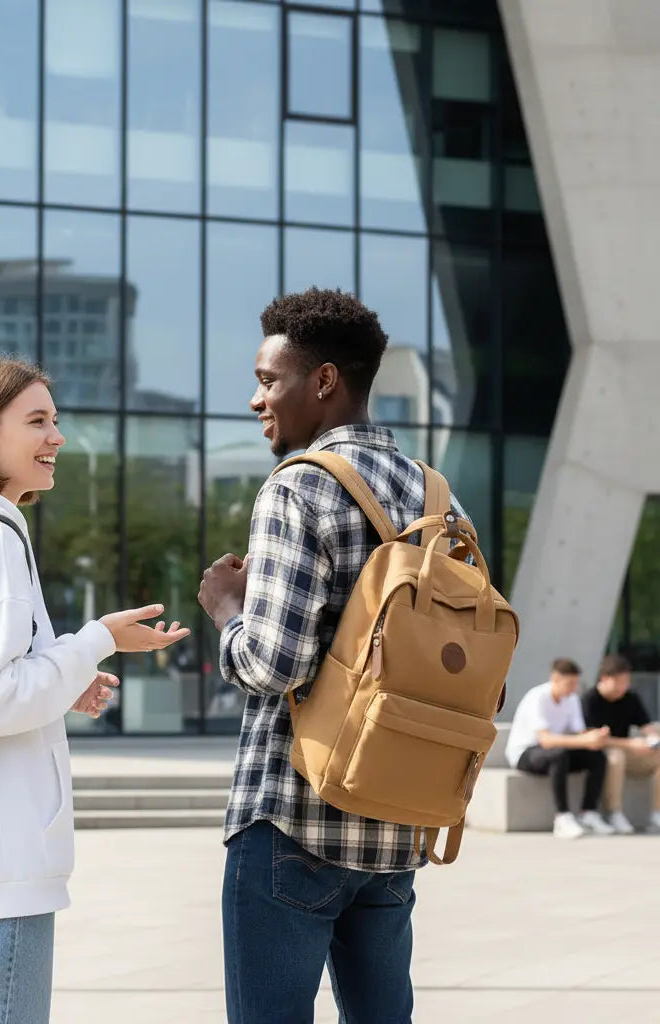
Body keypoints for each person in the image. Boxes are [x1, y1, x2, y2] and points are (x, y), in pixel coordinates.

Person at [0, 357, 190, 1024]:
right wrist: (94, 641)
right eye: (37, 421)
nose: (56, 437)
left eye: (54, 420)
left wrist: (62, 675)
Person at [197, 288, 468, 1024]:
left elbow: (274, 663)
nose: (257, 401)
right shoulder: (440, 499)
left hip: (294, 816)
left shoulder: (299, 487)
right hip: (398, 824)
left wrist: (226, 611)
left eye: (266, 380)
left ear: (322, 382)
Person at [504, 658, 614, 839]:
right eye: (570, 683)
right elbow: (545, 740)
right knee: (558, 755)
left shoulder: (572, 699)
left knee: (597, 756)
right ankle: (562, 817)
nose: (573, 688)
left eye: (576, 684)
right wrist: (585, 740)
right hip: (525, 754)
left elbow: (579, 733)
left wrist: (596, 736)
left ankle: (589, 813)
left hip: (555, 752)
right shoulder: (537, 697)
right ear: (555, 678)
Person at [583, 653, 660, 835]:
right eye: (619, 682)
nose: (623, 687)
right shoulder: (590, 699)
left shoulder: (630, 698)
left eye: (626, 682)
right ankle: (614, 812)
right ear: (605, 678)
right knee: (616, 756)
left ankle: (657, 813)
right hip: (600, 753)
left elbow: (647, 727)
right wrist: (631, 744)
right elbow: (592, 738)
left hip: (628, 752)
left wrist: (653, 740)